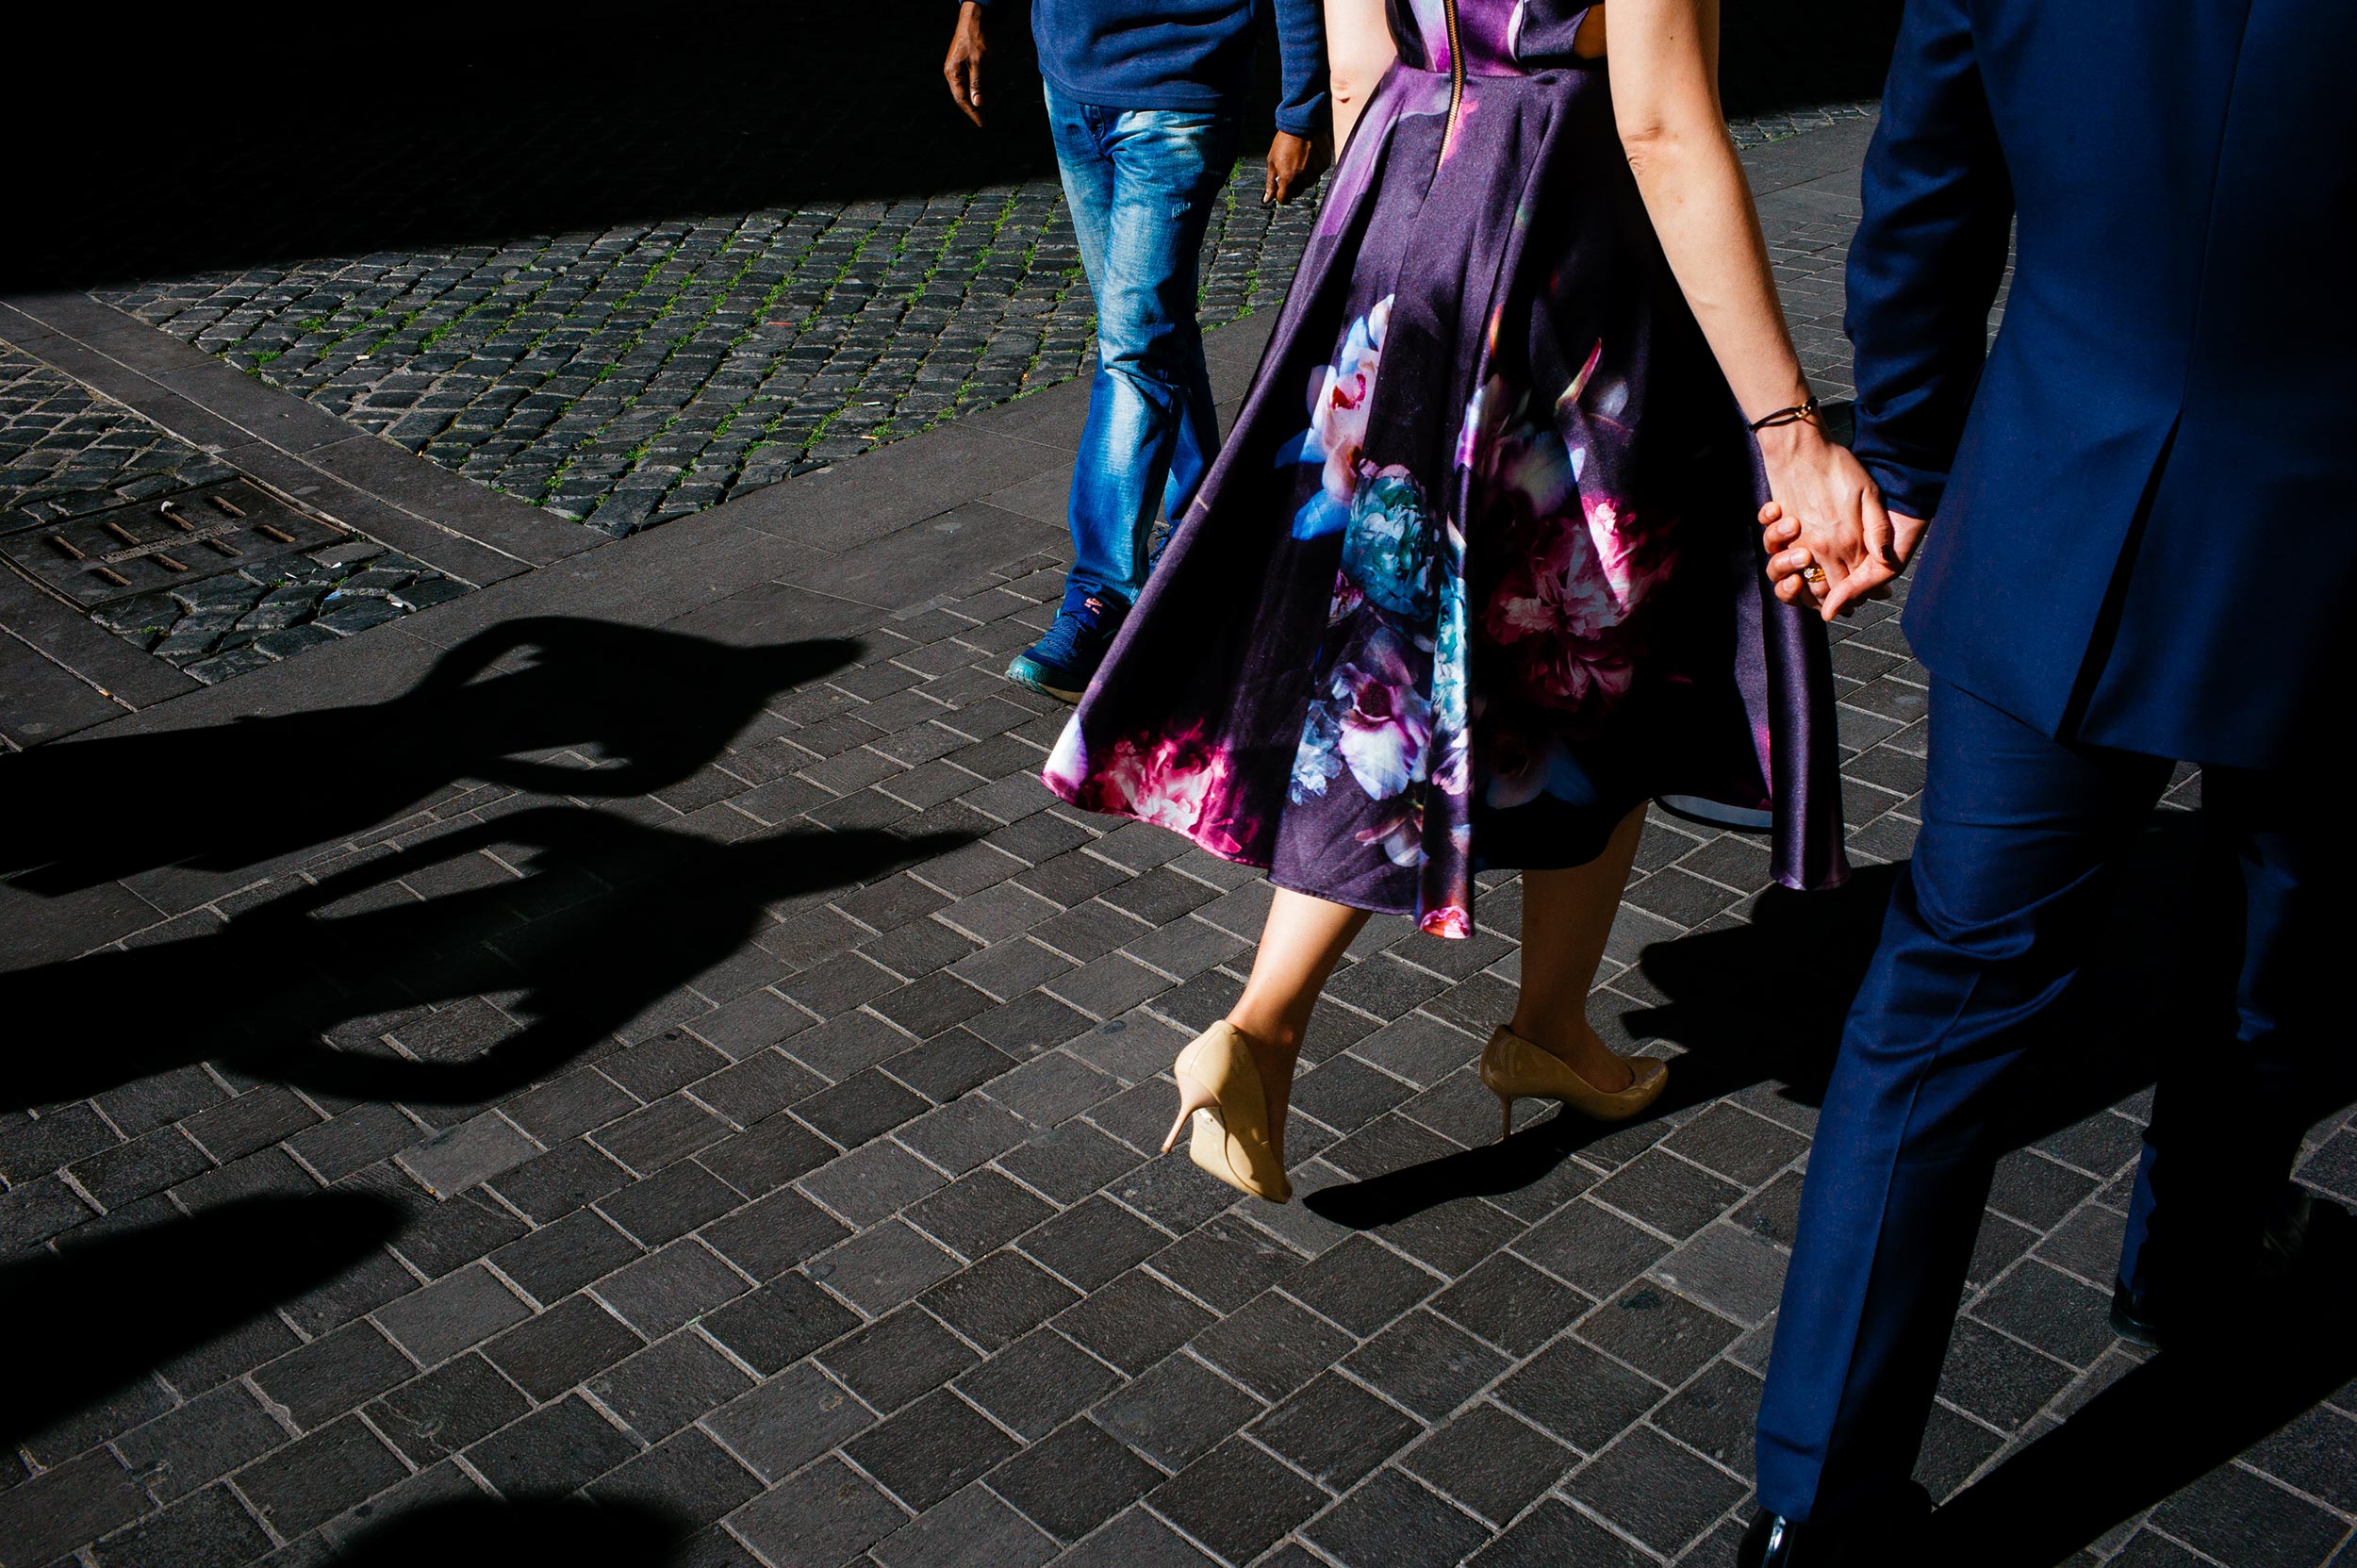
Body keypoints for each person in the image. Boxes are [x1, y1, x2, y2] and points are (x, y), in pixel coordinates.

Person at [1043, 0, 1873, 1204]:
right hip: (1567, 249)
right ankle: (1401, 1025)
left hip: (1400, 211)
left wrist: (1396, 269)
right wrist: (1788, 428)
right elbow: (1660, 128)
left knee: (1395, 646)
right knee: (1598, 637)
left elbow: (1354, 73)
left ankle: (1389, 1025)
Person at [1743, 0, 2357, 1558]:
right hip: (2324, 512)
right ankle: (2196, 1255)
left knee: (1946, 997)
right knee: (2283, 932)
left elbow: (1924, 196)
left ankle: (1816, 1507)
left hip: (2063, 496)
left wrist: (1920, 467)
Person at [944, 0, 1332, 701]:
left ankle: (1101, 596)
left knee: (1134, 352)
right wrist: (978, 10)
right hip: (1071, 78)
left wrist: (1302, 110)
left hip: (1179, 88)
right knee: (1153, 336)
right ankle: (1208, 547)